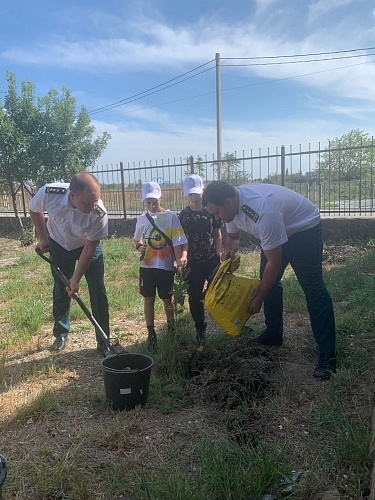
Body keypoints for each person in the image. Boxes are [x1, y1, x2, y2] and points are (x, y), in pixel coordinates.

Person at [202, 180, 336, 380]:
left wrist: (257, 300)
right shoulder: (230, 207)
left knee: (313, 289)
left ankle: (328, 354)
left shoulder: (262, 211)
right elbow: (233, 236)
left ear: (228, 202)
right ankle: (274, 333)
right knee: (269, 284)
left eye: (216, 213)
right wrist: (229, 250)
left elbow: (275, 261)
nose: (216, 218)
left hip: (303, 230)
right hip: (278, 229)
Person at [29, 172, 110, 354]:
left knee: (97, 289)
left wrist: (76, 279)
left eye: (96, 200)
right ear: (72, 196)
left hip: (86, 247)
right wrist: (43, 238)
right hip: (59, 245)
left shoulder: (99, 213)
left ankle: (103, 340)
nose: (92, 206)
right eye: (87, 203)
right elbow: (34, 209)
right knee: (60, 289)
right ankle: (61, 334)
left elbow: (90, 248)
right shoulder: (50, 193)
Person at [133, 181, 188, 352]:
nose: (151, 205)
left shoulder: (171, 217)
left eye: (154, 201)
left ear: (160, 198)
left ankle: (171, 328)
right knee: (148, 299)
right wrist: (138, 246)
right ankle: (151, 334)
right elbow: (137, 238)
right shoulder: (142, 218)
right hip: (147, 266)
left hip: (165, 266)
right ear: (143, 202)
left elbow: (179, 239)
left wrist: (180, 259)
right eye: (148, 202)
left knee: (167, 299)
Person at [179, 174, 222, 343]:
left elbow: (217, 234)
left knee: (217, 292)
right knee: (195, 297)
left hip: (211, 259)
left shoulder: (210, 211)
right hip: (193, 263)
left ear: (202, 191)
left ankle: (226, 321)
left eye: (196, 193)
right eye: (190, 194)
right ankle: (200, 328)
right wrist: (182, 259)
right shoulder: (183, 215)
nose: (193, 197)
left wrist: (218, 254)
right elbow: (181, 240)